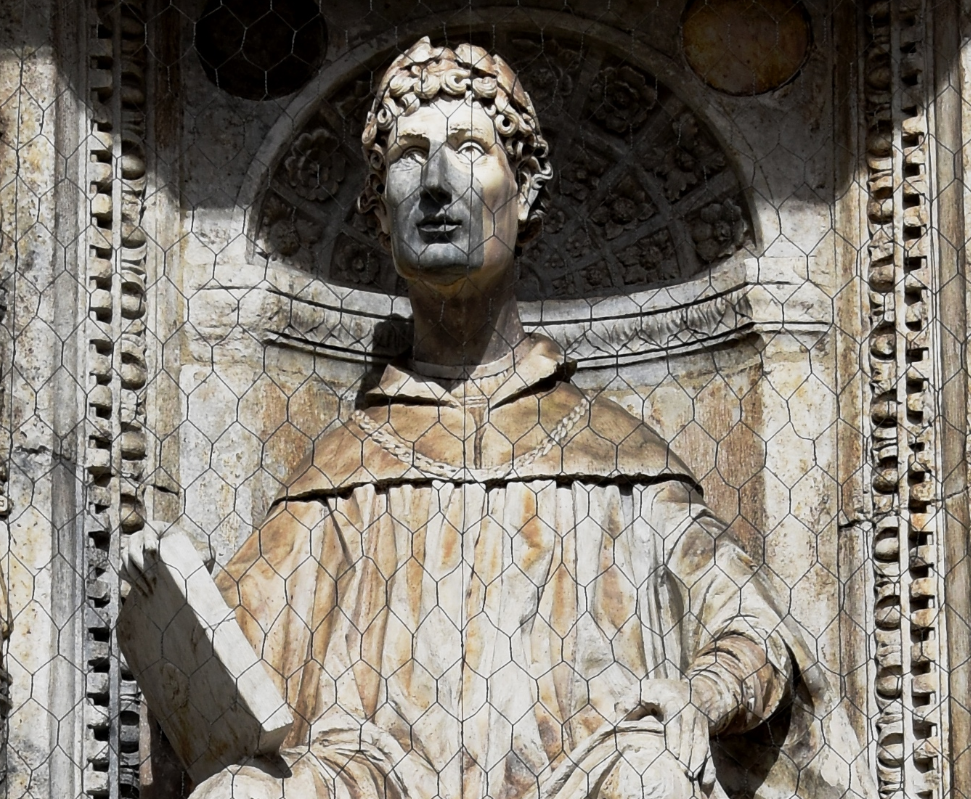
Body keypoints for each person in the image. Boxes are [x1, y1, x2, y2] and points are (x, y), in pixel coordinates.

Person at [128, 38, 875, 799]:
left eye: (469, 150)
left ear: (525, 196)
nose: (436, 185)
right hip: (372, 782)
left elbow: (749, 623)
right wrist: (182, 602)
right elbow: (239, 670)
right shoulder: (346, 464)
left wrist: (702, 693)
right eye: (409, 157)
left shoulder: (613, 453)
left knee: (654, 774)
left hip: (582, 783)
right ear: (378, 214)